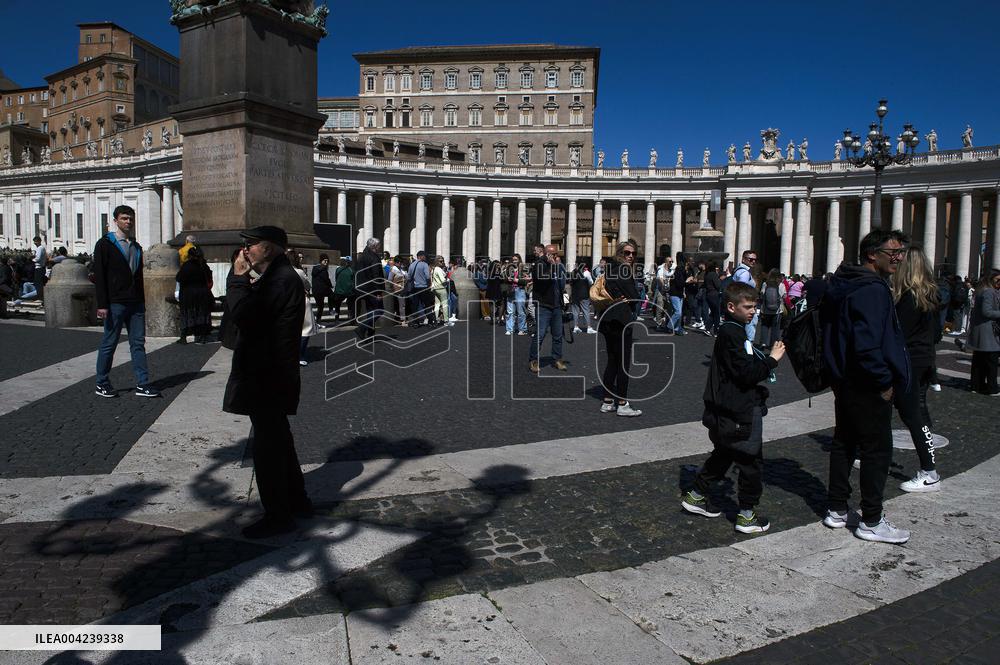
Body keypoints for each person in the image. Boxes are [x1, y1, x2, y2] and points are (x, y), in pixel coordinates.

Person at [820, 229, 911, 544]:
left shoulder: (843, 282)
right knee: (877, 449)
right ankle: (871, 518)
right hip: (867, 382)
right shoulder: (871, 289)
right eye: (894, 252)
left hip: (843, 379)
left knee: (844, 442)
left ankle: (836, 508)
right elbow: (868, 344)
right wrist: (884, 381)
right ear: (873, 254)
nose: (899, 258)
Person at [224, 225, 311, 538]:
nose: (246, 249)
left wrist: (236, 280)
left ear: (270, 248)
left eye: (252, 244)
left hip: (267, 375)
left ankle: (278, 514)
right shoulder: (279, 277)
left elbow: (246, 316)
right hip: (273, 372)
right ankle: (298, 501)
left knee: (267, 449)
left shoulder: (279, 280)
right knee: (280, 442)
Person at [682, 281, 786, 533]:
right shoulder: (733, 333)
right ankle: (746, 515)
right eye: (748, 307)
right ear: (731, 307)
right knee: (750, 462)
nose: (754, 311)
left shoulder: (733, 330)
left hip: (728, 407)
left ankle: (696, 495)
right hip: (738, 409)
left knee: (725, 452)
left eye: (755, 307)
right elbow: (745, 374)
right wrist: (772, 360)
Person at [92, 205, 160, 398]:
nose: (128, 222)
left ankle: (143, 383)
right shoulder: (104, 244)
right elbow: (100, 276)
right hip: (115, 303)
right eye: (124, 218)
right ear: (115, 221)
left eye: (130, 218)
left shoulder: (136, 246)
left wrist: (143, 302)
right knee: (109, 343)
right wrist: (102, 304)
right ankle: (101, 382)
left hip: (135, 302)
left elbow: (138, 277)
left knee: (138, 343)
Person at [891, 247, 944, 491]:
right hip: (923, 359)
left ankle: (929, 471)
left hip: (910, 361)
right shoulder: (930, 295)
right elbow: (936, 333)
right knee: (915, 412)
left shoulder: (909, 298)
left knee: (913, 415)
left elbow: (897, 333)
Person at [598, 241, 642, 416]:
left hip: (608, 320)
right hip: (621, 321)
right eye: (627, 253)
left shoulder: (609, 270)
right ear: (619, 254)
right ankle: (622, 403)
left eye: (633, 253)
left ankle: (607, 401)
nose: (630, 256)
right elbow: (635, 296)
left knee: (612, 361)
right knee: (623, 363)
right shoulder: (624, 271)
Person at [528, 244, 568, 372]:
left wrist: (565, 301)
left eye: (556, 254)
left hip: (557, 305)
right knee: (540, 334)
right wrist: (551, 266)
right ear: (546, 253)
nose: (555, 257)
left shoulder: (557, 266)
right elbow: (542, 280)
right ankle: (533, 360)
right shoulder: (539, 265)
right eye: (553, 254)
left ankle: (557, 359)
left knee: (557, 335)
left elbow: (562, 285)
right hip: (544, 305)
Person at [966, 269, 1000, 395]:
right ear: (991, 279)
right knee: (991, 361)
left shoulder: (982, 290)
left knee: (978, 360)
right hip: (988, 331)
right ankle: (992, 388)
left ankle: (976, 385)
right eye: (998, 280)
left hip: (981, 330)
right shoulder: (989, 292)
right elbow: (987, 311)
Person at [175, 246, 215, 344]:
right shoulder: (203, 265)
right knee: (201, 313)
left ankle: (183, 337)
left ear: (189, 256)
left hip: (189, 294)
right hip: (202, 292)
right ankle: (201, 336)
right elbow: (209, 278)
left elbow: (179, 278)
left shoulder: (186, 266)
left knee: (188, 314)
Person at [353, 238, 385, 341]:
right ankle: (362, 328)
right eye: (379, 245)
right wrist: (379, 292)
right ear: (374, 246)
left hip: (363, 288)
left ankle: (371, 333)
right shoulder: (374, 258)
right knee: (379, 310)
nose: (380, 247)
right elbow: (376, 276)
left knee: (370, 310)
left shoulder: (362, 256)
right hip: (372, 289)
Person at [289, 252, 318, 365]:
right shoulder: (299, 272)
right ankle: (300, 355)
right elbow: (307, 285)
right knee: (306, 328)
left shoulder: (279, 271)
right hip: (300, 300)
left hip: (285, 302)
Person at [732, 250, 758, 342]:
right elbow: (741, 289)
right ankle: (747, 352)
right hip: (746, 305)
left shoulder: (738, 271)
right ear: (743, 259)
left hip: (741, 304)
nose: (753, 261)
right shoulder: (745, 273)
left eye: (755, 260)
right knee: (749, 333)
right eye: (750, 259)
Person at [757, 269, 786, 348]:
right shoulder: (781, 285)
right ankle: (773, 344)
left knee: (764, 326)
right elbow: (784, 296)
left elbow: (762, 295)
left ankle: (763, 342)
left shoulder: (765, 284)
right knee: (775, 328)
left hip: (765, 309)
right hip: (777, 310)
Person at [406, 250, 434, 327]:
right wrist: (429, 284)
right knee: (427, 305)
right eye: (424, 256)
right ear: (420, 256)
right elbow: (427, 277)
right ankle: (430, 321)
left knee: (415, 305)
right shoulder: (424, 265)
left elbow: (408, 277)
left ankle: (415, 322)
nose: (425, 257)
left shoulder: (412, 265)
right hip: (424, 287)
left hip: (415, 288)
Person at [504, 254, 528, 336]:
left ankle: (522, 329)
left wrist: (515, 280)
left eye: (516, 259)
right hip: (511, 290)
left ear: (519, 260)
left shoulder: (524, 268)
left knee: (521, 312)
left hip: (520, 290)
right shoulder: (509, 268)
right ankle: (510, 329)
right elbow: (504, 279)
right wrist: (507, 279)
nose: (514, 261)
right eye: (513, 259)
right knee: (510, 312)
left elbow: (525, 281)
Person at [569, 262, 596, 334]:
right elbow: (591, 282)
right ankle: (589, 327)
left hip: (575, 294)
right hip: (584, 294)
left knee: (575, 311)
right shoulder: (586, 273)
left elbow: (570, 283)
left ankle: (575, 327)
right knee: (586, 310)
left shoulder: (573, 272)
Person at [666, 252, 688, 335]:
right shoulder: (679, 269)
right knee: (678, 312)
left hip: (679, 293)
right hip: (675, 293)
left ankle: (677, 329)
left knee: (679, 313)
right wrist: (687, 281)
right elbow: (680, 283)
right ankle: (669, 326)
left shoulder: (680, 269)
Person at [431, 255, 454, 326]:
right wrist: (447, 280)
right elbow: (443, 280)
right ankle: (446, 321)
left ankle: (435, 319)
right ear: (437, 262)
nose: (442, 262)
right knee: (445, 305)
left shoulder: (433, 269)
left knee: (437, 305)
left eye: (443, 261)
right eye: (441, 261)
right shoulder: (439, 269)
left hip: (435, 288)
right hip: (441, 288)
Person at [310, 254, 333, 323]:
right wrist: (331, 285)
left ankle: (318, 320)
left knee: (320, 306)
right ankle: (331, 309)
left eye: (327, 261)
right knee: (331, 295)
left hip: (316, 291)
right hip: (321, 290)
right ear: (321, 261)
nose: (326, 262)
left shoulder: (315, 268)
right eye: (324, 261)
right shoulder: (323, 270)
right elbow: (327, 280)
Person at [330, 257, 353, 323]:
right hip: (348, 291)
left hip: (339, 290)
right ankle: (350, 318)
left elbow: (336, 279)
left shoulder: (338, 269)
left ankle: (336, 319)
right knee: (350, 305)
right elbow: (353, 280)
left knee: (337, 305)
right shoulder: (350, 270)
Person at [703, 261, 722, 336]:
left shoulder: (706, 274)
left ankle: (707, 328)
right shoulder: (713, 274)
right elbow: (718, 285)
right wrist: (719, 278)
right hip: (714, 295)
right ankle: (716, 331)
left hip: (708, 294)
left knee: (713, 313)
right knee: (717, 313)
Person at [31, 235, 47, 303]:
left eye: (36, 242)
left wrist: (32, 260)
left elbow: (38, 258)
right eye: (34, 242)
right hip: (41, 268)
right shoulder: (41, 248)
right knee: (39, 283)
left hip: (39, 268)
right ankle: (40, 297)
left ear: (39, 241)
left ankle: (40, 297)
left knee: (38, 283)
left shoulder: (40, 248)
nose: (35, 243)